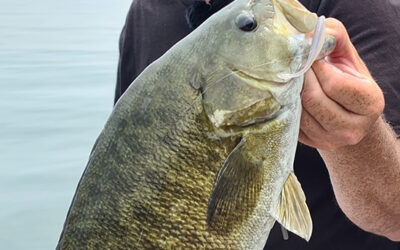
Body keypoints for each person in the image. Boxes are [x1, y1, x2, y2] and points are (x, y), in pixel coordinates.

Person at [114, 0, 400, 248]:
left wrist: (361, 137)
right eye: (249, 24)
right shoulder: (143, 14)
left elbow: (395, 218)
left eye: (248, 25)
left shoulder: (355, 7)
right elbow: (119, 167)